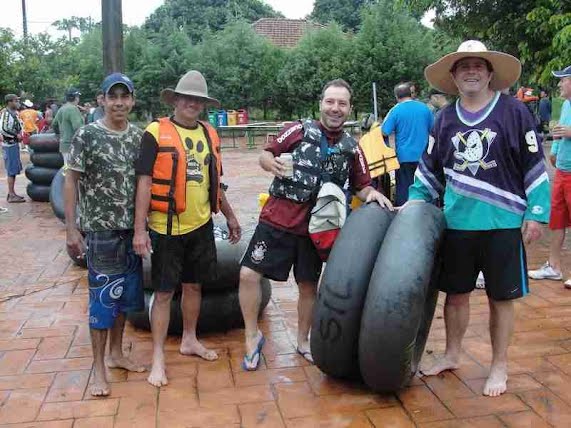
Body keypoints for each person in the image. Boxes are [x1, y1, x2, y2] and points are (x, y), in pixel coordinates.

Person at [409, 40, 550, 396]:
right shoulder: (443, 120)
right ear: (454, 77)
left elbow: (535, 165)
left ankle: (499, 366)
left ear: (490, 74)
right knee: (455, 295)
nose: (471, 70)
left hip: (503, 224)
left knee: (501, 299)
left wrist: (536, 212)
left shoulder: (515, 113)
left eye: (478, 65)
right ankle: (453, 354)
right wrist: (413, 205)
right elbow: (428, 172)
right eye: (463, 66)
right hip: (456, 224)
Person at [238, 79, 393, 371]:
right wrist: (268, 162)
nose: (335, 108)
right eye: (330, 102)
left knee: (308, 287)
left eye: (342, 103)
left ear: (349, 108)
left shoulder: (352, 147)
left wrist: (374, 195)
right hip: (278, 221)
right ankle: (251, 335)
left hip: (318, 231)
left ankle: (302, 340)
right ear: (321, 103)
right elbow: (266, 153)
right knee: (248, 275)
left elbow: (362, 186)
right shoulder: (298, 130)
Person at [133, 70, 241, 387]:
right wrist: (140, 230)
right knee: (165, 292)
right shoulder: (155, 132)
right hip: (165, 228)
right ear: (176, 99)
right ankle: (157, 359)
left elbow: (214, 183)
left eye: (198, 99)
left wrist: (230, 216)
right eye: (187, 97)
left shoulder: (209, 134)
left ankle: (189, 339)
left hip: (201, 225)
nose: (192, 103)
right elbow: (144, 182)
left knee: (194, 286)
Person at [64, 73, 146, 397]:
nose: (119, 103)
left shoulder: (139, 137)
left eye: (124, 97)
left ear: (132, 101)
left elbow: (143, 183)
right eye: (113, 97)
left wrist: (142, 228)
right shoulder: (87, 135)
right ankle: (98, 367)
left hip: (132, 232)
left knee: (125, 299)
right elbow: (71, 181)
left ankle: (116, 354)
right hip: (101, 233)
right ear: (102, 100)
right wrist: (72, 229)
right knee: (102, 303)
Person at [528, 65, 571, 287]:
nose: (560, 84)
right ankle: (553, 267)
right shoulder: (565, 105)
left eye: (563, 80)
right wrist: (554, 153)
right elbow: (559, 133)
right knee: (557, 221)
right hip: (563, 171)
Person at [382, 83, 434, 206]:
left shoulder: (396, 110)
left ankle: (404, 216)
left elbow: (384, 131)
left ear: (396, 96)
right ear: (410, 94)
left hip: (404, 156)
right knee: (423, 187)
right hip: (423, 156)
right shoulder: (425, 108)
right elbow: (435, 129)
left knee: (404, 188)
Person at [1, 94, 25, 203]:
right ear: (10, 102)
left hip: (13, 145)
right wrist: (16, 135)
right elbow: (4, 129)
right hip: (9, 145)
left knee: (14, 169)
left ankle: (12, 193)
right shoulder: (6, 114)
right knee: (11, 170)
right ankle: (11, 194)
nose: (17, 102)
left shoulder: (13, 114)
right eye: (16, 101)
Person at [52, 88, 84, 165]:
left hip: (64, 146)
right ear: (76, 97)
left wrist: (61, 134)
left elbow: (54, 124)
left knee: (67, 170)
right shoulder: (73, 109)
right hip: (74, 146)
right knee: (75, 172)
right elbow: (78, 128)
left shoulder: (61, 109)